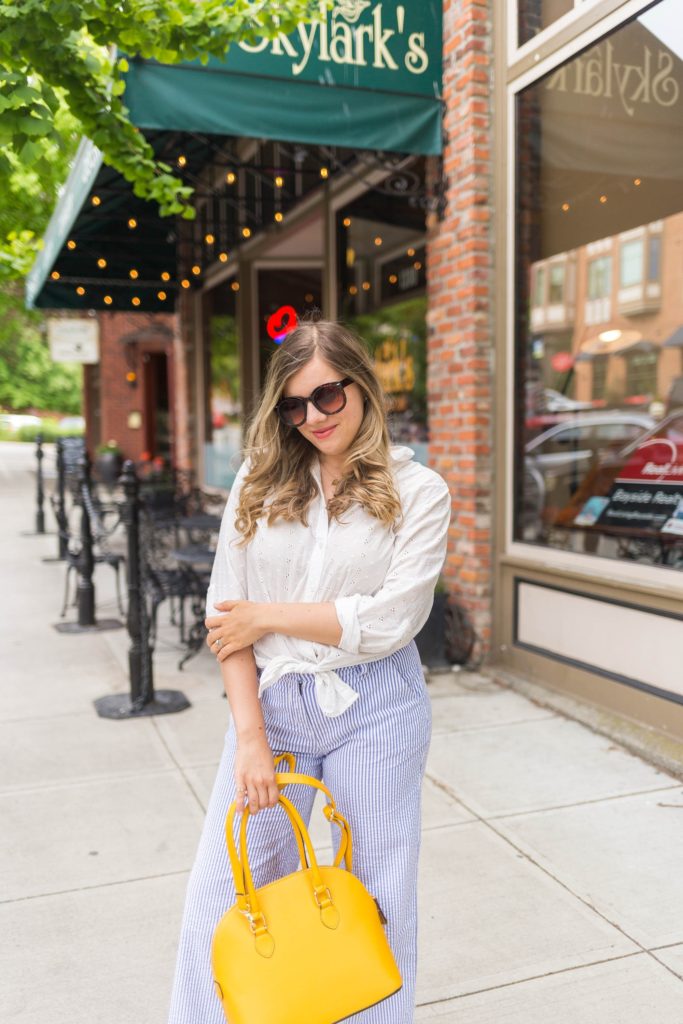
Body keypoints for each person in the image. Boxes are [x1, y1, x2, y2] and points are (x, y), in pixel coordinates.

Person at [167, 318, 451, 1024]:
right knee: (226, 893)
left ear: (362, 386)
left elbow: (390, 620)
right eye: (292, 405)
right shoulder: (259, 483)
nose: (312, 417)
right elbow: (226, 619)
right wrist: (251, 737)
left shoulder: (420, 492)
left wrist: (269, 617)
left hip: (378, 702)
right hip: (272, 703)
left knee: (375, 897)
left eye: (327, 396)